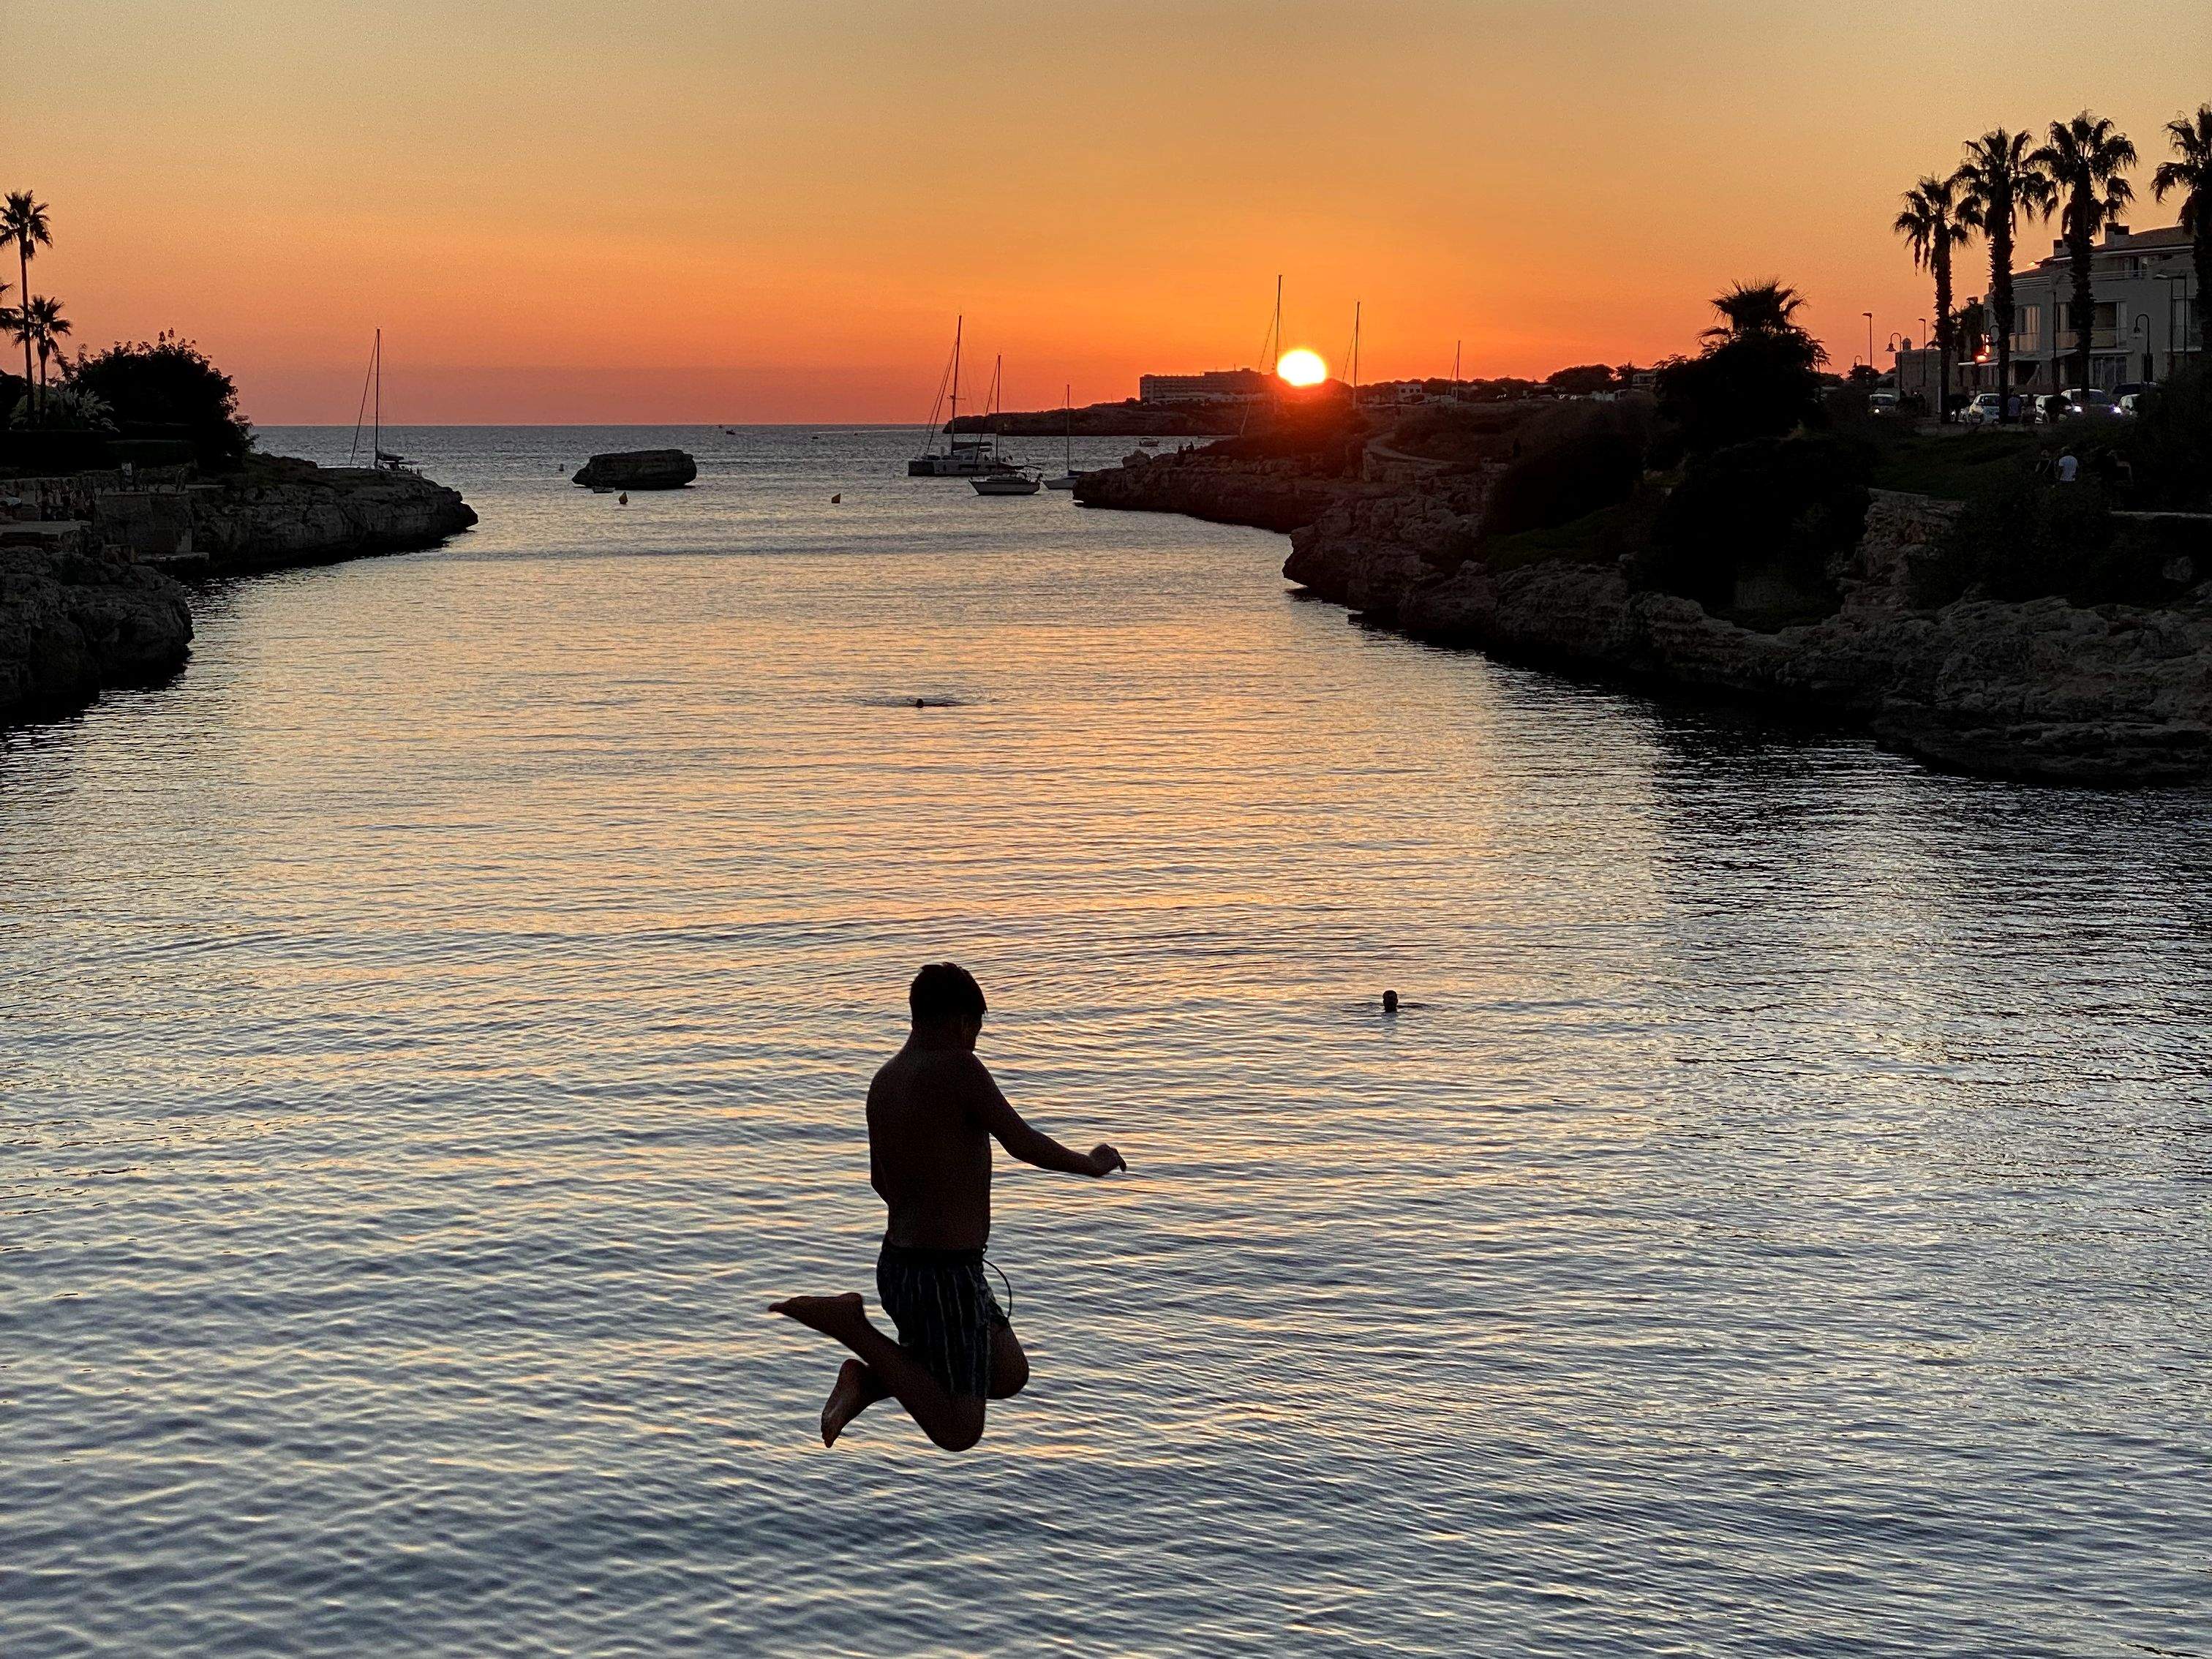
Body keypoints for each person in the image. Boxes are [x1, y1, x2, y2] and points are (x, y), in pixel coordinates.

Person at [770, 963, 1126, 1451]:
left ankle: (868, 1382)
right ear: (962, 1023)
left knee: (1006, 1373)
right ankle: (850, 1325)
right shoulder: (958, 1067)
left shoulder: (885, 1080)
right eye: (976, 1031)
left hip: (905, 1267)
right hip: (942, 1276)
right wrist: (1089, 1164)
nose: (975, 1043)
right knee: (960, 1430)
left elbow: (881, 1181)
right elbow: (1020, 1141)